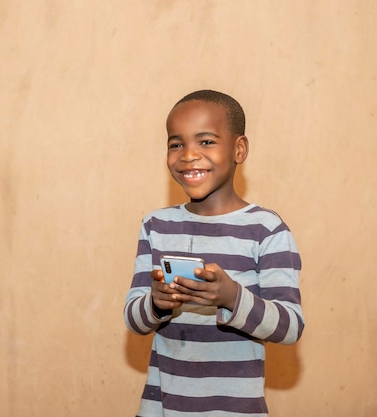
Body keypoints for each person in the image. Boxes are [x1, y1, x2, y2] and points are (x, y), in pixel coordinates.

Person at [124, 90, 305, 417]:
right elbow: (133, 319)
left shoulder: (266, 230)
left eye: (206, 141)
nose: (188, 155)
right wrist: (155, 302)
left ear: (239, 149)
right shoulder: (156, 225)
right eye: (176, 144)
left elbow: (290, 327)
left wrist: (231, 296)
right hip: (162, 408)